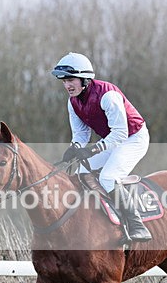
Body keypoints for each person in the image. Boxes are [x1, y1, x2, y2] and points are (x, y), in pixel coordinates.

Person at [51, 52, 152, 243]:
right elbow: (81, 134)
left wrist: (93, 149)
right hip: (112, 140)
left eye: (71, 80)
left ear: (85, 79)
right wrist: (75, 147)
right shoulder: (72, 102)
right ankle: (99, 217)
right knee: (82, 171)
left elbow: (121, 133)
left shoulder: (108, 95)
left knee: (108, 177)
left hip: (134, 138)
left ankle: (135, 223)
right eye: (64, 81)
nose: (67, 86)